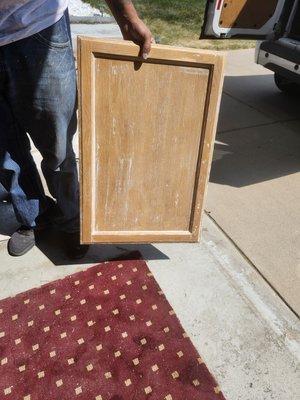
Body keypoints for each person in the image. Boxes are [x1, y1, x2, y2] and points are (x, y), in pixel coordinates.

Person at [0, 1, 153, 258]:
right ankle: (33, 215)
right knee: (5, 151)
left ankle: (72, 219)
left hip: (37, 25)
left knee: (57, 144)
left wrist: (126, 17)